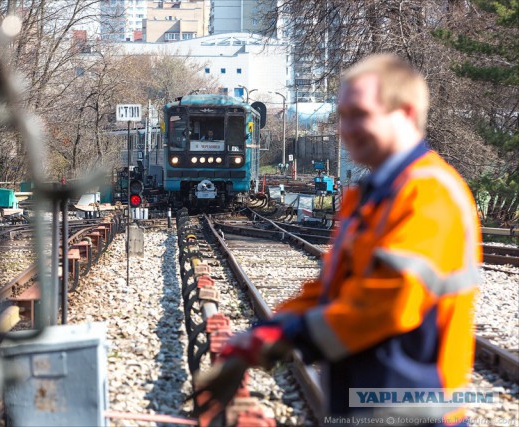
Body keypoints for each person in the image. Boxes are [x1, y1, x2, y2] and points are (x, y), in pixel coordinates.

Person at [194, 54, 481, 426]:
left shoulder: (429, 194)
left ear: (406, 113)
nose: (347, 129)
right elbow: (335, 289)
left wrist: (296, 334)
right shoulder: (370, 194)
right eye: (342, 116)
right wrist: (271, 329)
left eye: (360, 114)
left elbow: (390, 302)